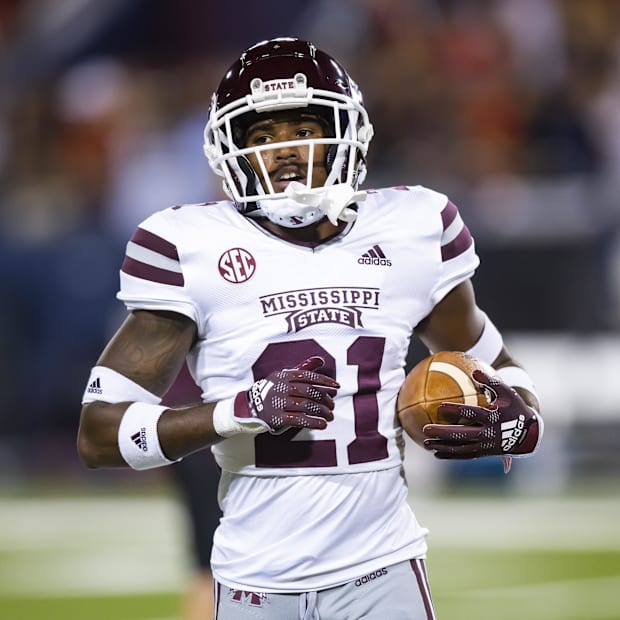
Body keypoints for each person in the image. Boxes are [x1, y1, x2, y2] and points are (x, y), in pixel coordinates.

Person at [77, 37, 543, 620]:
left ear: (347, 133)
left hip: (385, 570)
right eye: (262, 138)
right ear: (231, 152)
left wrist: (523, 420)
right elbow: (99, 434)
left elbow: (494, 363)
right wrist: (237, 412)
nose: (286, 152)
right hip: (253, 580)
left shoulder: (414, 227)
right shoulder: (187, 246)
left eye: (302, 129)